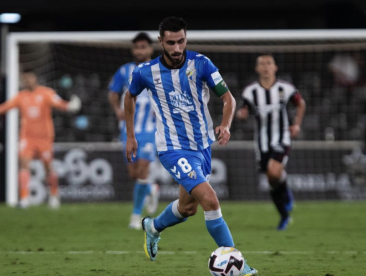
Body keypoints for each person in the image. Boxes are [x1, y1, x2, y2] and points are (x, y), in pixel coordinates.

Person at [124, 17, 258, 275]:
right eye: (171, 42)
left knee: (187, 208)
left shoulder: (202, 64)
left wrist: (226, 125)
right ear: (160, 41)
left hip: (202, 146)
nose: (176, 48)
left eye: (181, 41)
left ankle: (152, 227)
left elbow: (228, 98)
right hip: (172, 148)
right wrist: (131, 135)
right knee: (210, 199)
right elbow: (129, 98)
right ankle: (238, 265)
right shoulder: (145, 72)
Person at [0, 70, 81, 208]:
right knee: (23, 164)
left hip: (44, 138)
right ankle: (25, 199)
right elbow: (3, 108)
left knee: (48, 167)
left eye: (29, 78)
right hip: (27, 137)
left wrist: (70, 106)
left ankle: (54, 195)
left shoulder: (46, 93)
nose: (27, 81)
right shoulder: (21, 96)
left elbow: (60, 104)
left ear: (35, 78)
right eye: (25, 79)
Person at [236, 54, 306, 230]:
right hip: (262, 142)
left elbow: (301, 104)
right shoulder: (250, 92)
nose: (266, 66)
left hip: (282, 137)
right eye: (262, 64)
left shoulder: (286, 88)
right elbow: (244, 110)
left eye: (269, 63)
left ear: (275, 68)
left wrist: (296, 125)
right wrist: (242, 115)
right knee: (271, 179)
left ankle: (286, 196)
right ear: (257, 69)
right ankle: (284, 215)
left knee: (273, 171)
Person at [108, 32, 160, 230]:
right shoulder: (124, 71)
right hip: (128, 129)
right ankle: (151, 188)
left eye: (143, 47)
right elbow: (113, 93)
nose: (140, 50)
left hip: (150, 130)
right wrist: (117, 110)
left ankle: (135, 216)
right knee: (133, 173)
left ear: (150, 49)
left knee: (142, 170)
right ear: (133, 50)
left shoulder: (158, 69)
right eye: (137, 47)